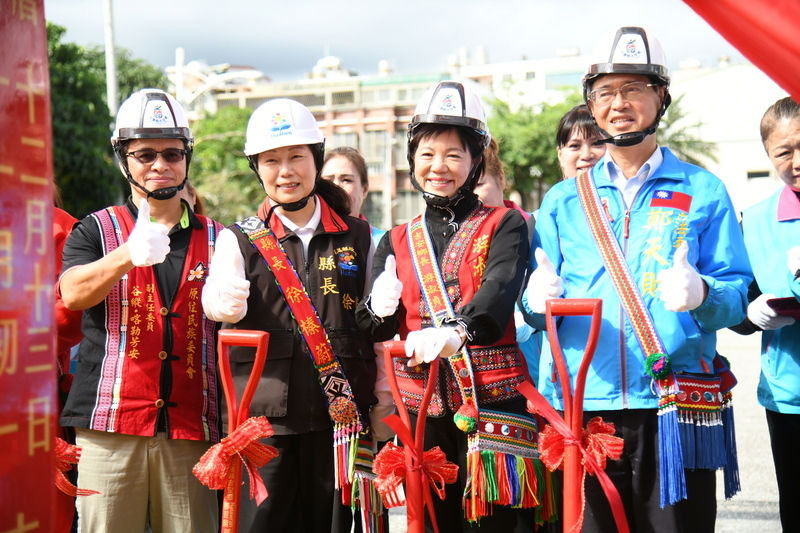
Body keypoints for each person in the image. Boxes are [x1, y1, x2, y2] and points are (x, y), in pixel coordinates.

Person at [524, 27, 752, 533]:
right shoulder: (563, 200)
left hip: (672, 406)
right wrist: (534, 304)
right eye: (605, 91)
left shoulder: (704, 190)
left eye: (634, 88)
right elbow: (532, 309)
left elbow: (737, 297)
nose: (619, 102)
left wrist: (703, 294)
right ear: (591, 102)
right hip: (586, 406)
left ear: (660, 97)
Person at [357, 80, 550, 532]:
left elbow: (499, 288)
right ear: (411, 161)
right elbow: (372, 328)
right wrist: (378, 309)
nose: (438, 166)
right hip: (423, 409)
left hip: (492, 403)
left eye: (453, 154)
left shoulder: (505, 224)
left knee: (499, 524)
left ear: (475, 161)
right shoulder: (396, 238)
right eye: (426, 154)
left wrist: (458, 330)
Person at [201, 98, 387, 533]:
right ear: (256, 167)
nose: (285, 171)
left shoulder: (359, 236)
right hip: (264, 424)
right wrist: (221, 299)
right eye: (271, 160)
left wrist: (385, 401)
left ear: (315, 160)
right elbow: (217, 306)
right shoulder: (238, 240)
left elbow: (378, 331)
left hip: (340, 421)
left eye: (296, 157)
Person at [58, 88, 224, 532]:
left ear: (187, 157)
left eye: (172, 153)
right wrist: (125, 255)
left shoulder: (221, 238)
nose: (159, 165)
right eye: (144, 154)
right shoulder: (96, 228)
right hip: (110, 428)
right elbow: (72, 294)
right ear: (123, 159)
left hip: (193, 429)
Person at [729, 96, 800, 531]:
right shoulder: (755, 221)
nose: (796, 161)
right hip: (789, 392)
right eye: (784, 151)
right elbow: (736, 302)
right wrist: (751, 314)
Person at [321, 146, 386, 245]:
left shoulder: (384, 243)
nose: (336, 186)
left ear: (364, 190)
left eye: (346, 180)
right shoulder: (306, 242)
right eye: (328, 180)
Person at [555, 104, 606, 179]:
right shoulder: (555, 191)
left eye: (596, 143)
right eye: (575, 146)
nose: (586, 156)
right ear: (560, 156)